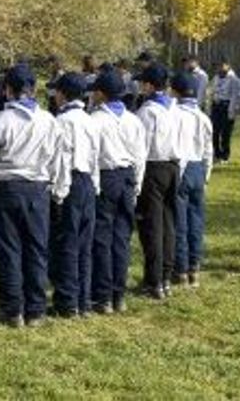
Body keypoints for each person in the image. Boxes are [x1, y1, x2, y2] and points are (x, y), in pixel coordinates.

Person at [0, 64, 60, 327]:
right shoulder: (49, 120)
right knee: (36, 248)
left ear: (7, 89)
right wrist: (55, 189)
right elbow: (57, 158)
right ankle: (36, 309)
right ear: (33, 90)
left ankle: (12, 309)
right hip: (38, 189)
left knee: (7, 249)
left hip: (6, 189)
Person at [87, 69, 146, 314]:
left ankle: (103, 296)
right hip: (128, 178)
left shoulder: (96, 120)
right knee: (121, 238)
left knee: (102, 238)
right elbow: (140, 156)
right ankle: (118, 294)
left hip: (106, 177)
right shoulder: (133, 120)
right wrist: (137, 185)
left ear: (100, 94)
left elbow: (91, 156)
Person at [49, 72, 98, 318]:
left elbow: (61, 159)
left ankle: (67, 301)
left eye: (56, 91)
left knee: (66, 242)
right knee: (84, 244)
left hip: (70, 182)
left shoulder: (63, 121)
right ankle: (83, 299)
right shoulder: (90, 119)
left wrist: (58, 194)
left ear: (63, 93)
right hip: (88, 181)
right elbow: (95, 156)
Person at [135, 65, 180, 299]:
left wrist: (137, 179)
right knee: (168, 222)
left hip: (153, 167)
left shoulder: (147, 111)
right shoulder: (174, 107)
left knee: (151, 226)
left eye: (142, 83)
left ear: (150, 86)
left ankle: (153, 281)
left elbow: (140, 147)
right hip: (173, 166)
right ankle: (165, 276)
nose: (140, 87)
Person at [172, 72, 213, 288]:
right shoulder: (203, 117)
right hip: (198, 168)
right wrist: (206, 175)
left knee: (179, 221)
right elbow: (209, 149)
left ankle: (180, 269)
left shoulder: (174, 115)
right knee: (196, 219)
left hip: (182, 168)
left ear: (174, 92)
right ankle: (194, 266)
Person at [211, 60, 240, 164]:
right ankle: (216, 154)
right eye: (218, 66)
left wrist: (232, 111)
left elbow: (235, 96)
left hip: (226, 106)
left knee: (225, 133)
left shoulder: (233, 79)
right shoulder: (216, 77)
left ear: (228, 65)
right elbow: (213, 90)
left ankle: (225, 156)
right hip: (216, 106)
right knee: (214, 132)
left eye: (222, 65)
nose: (220, 68)